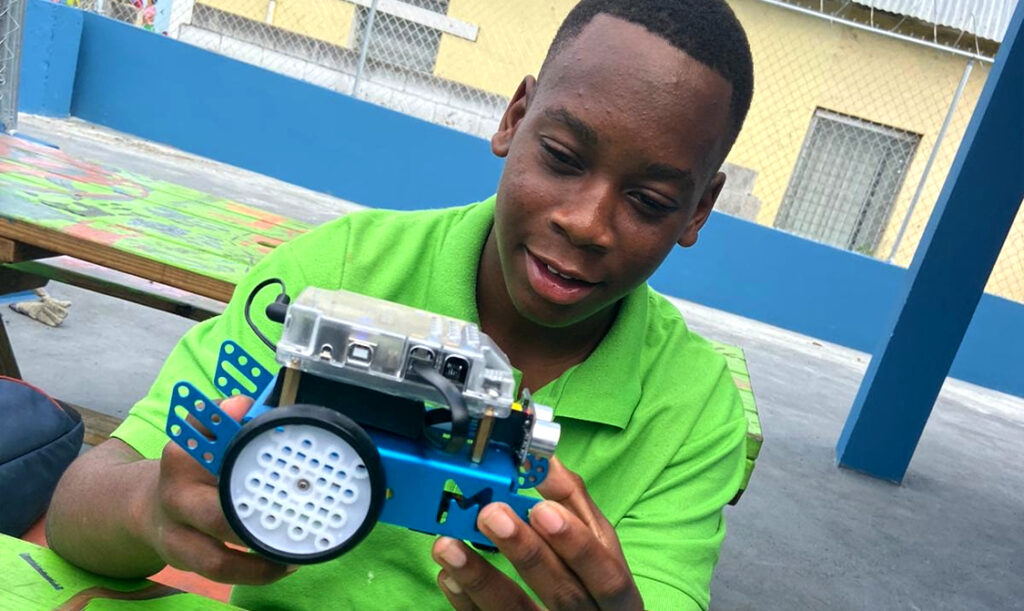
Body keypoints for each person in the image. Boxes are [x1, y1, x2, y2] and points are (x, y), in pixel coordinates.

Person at [46, 0, 755, 608]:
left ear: (699, 211)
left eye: (651, 201)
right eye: (564, 157)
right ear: (514, 118)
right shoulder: (336, 275)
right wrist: (153, 511)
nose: (588, 222)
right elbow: (80, 507)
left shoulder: (691, 412)